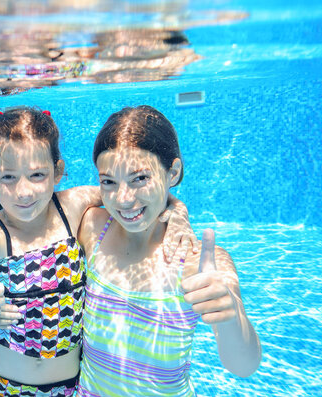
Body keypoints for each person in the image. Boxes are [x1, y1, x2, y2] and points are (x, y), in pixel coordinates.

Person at [0, 106, 197, 397]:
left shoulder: (71, 207)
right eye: (8, 177)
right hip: (1, 387)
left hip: (70, 389)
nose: (23, 191)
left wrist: (178, 211)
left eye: (36, 174)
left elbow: (133, 193)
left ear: (57, 171)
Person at [77, 105, 262, 396]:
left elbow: (244, 366)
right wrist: (175, 206)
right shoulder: (92, 228)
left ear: (173, 172)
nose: (123, 199)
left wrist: (231, 315)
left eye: (140, 178)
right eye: (109, 181)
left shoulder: (198, 261)